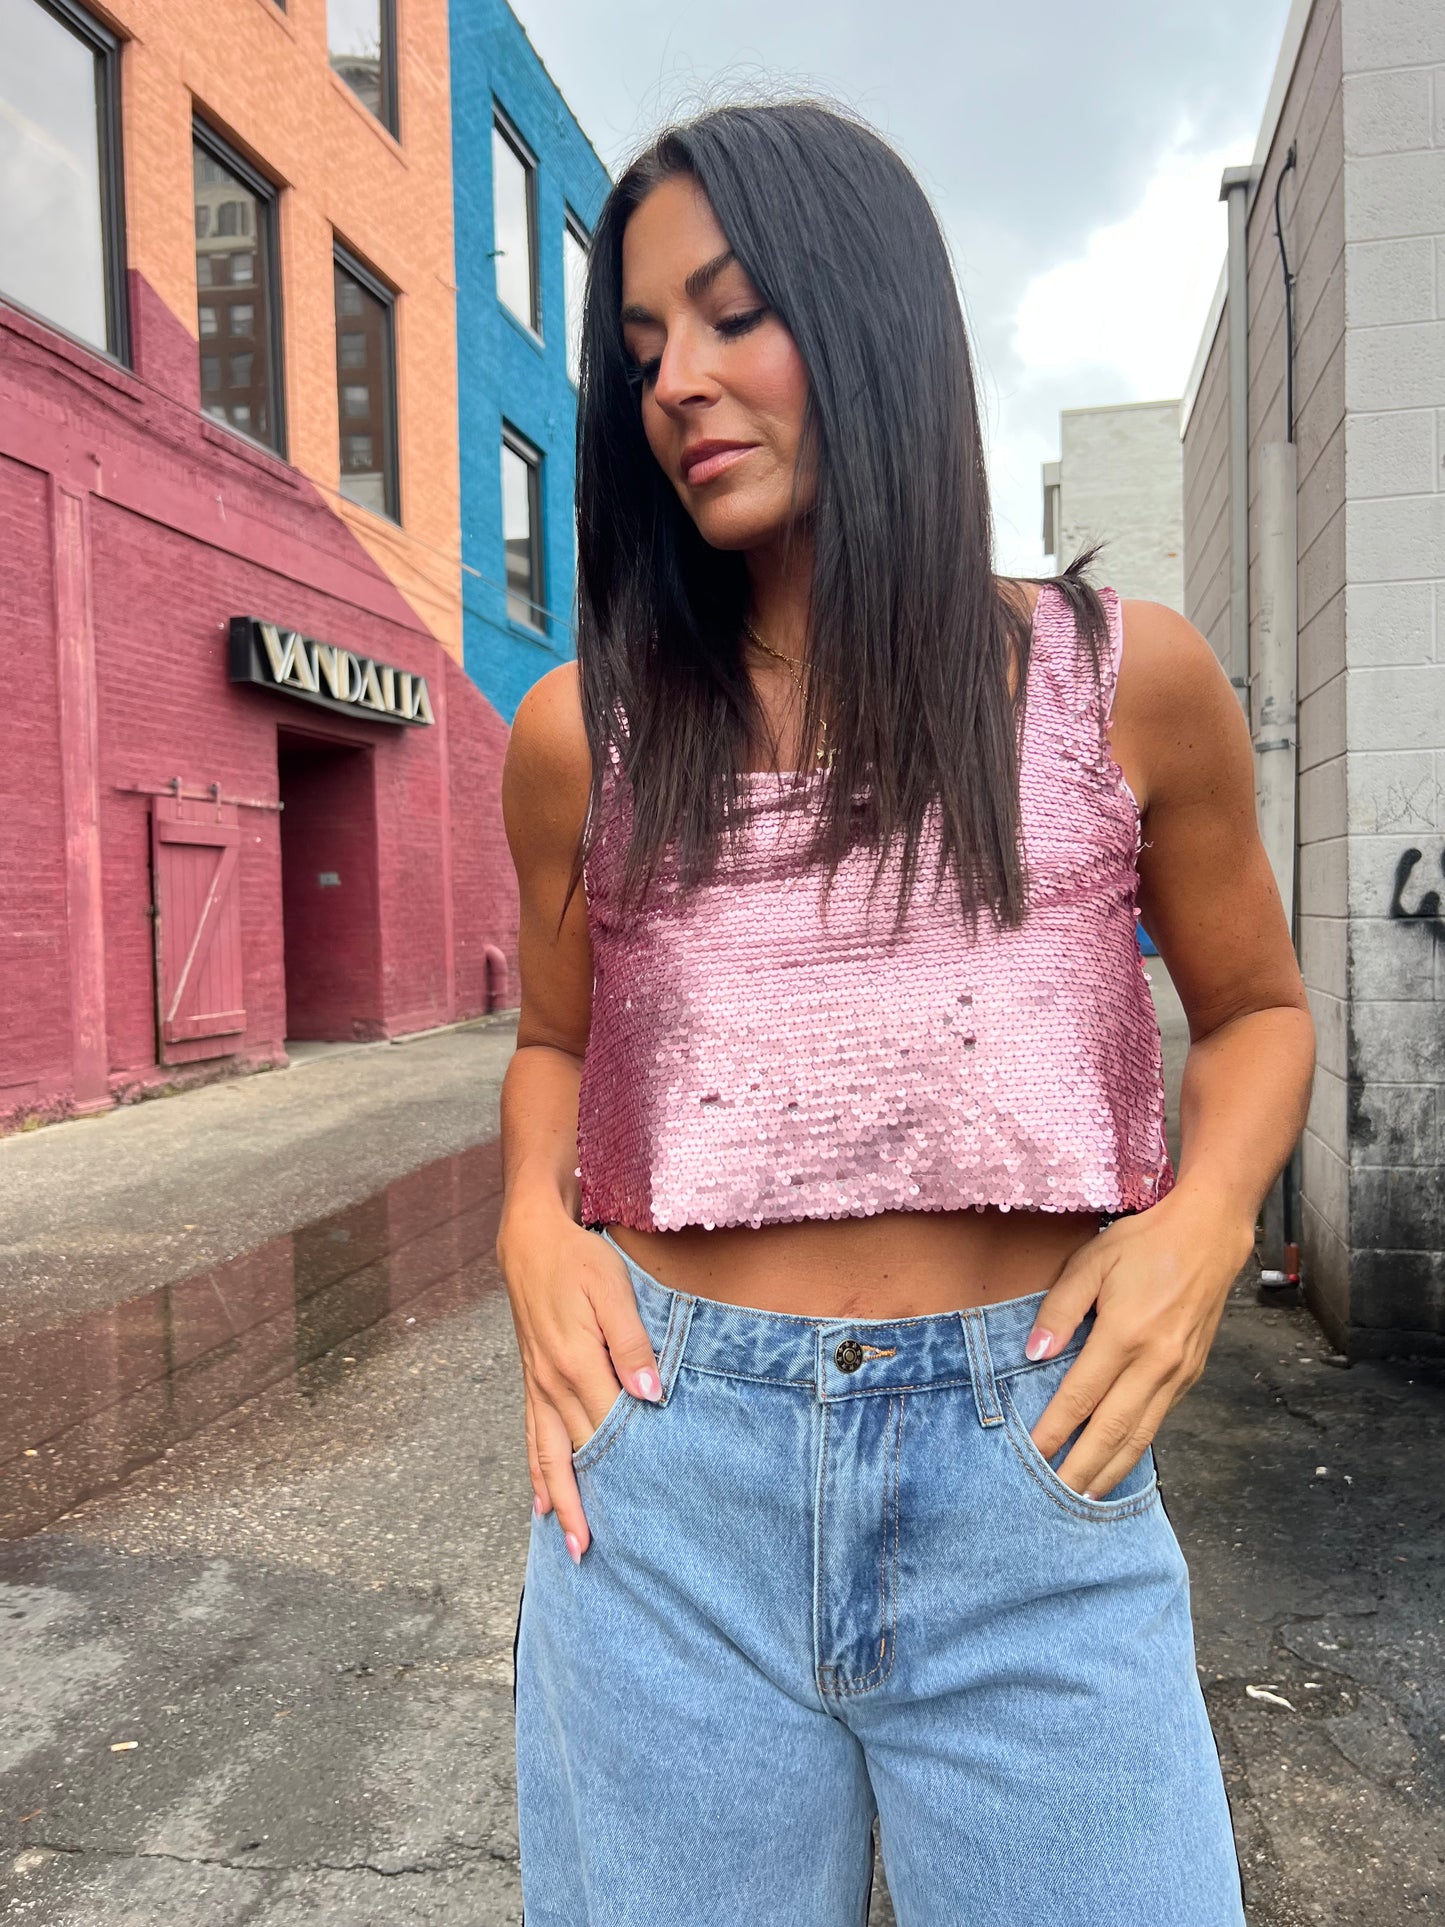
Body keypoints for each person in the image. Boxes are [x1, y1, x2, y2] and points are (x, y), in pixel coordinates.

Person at [497, 99, 1313, 1927]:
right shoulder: (586, 735)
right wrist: (524, 1232)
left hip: (1030, 1476)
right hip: (666, 1497)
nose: (676, 386)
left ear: (869, 317)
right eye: (641, 351)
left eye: (728, 314)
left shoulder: (1125, 686)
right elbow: (555, 1039)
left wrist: (1200, 1225)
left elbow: (1256, 1007)